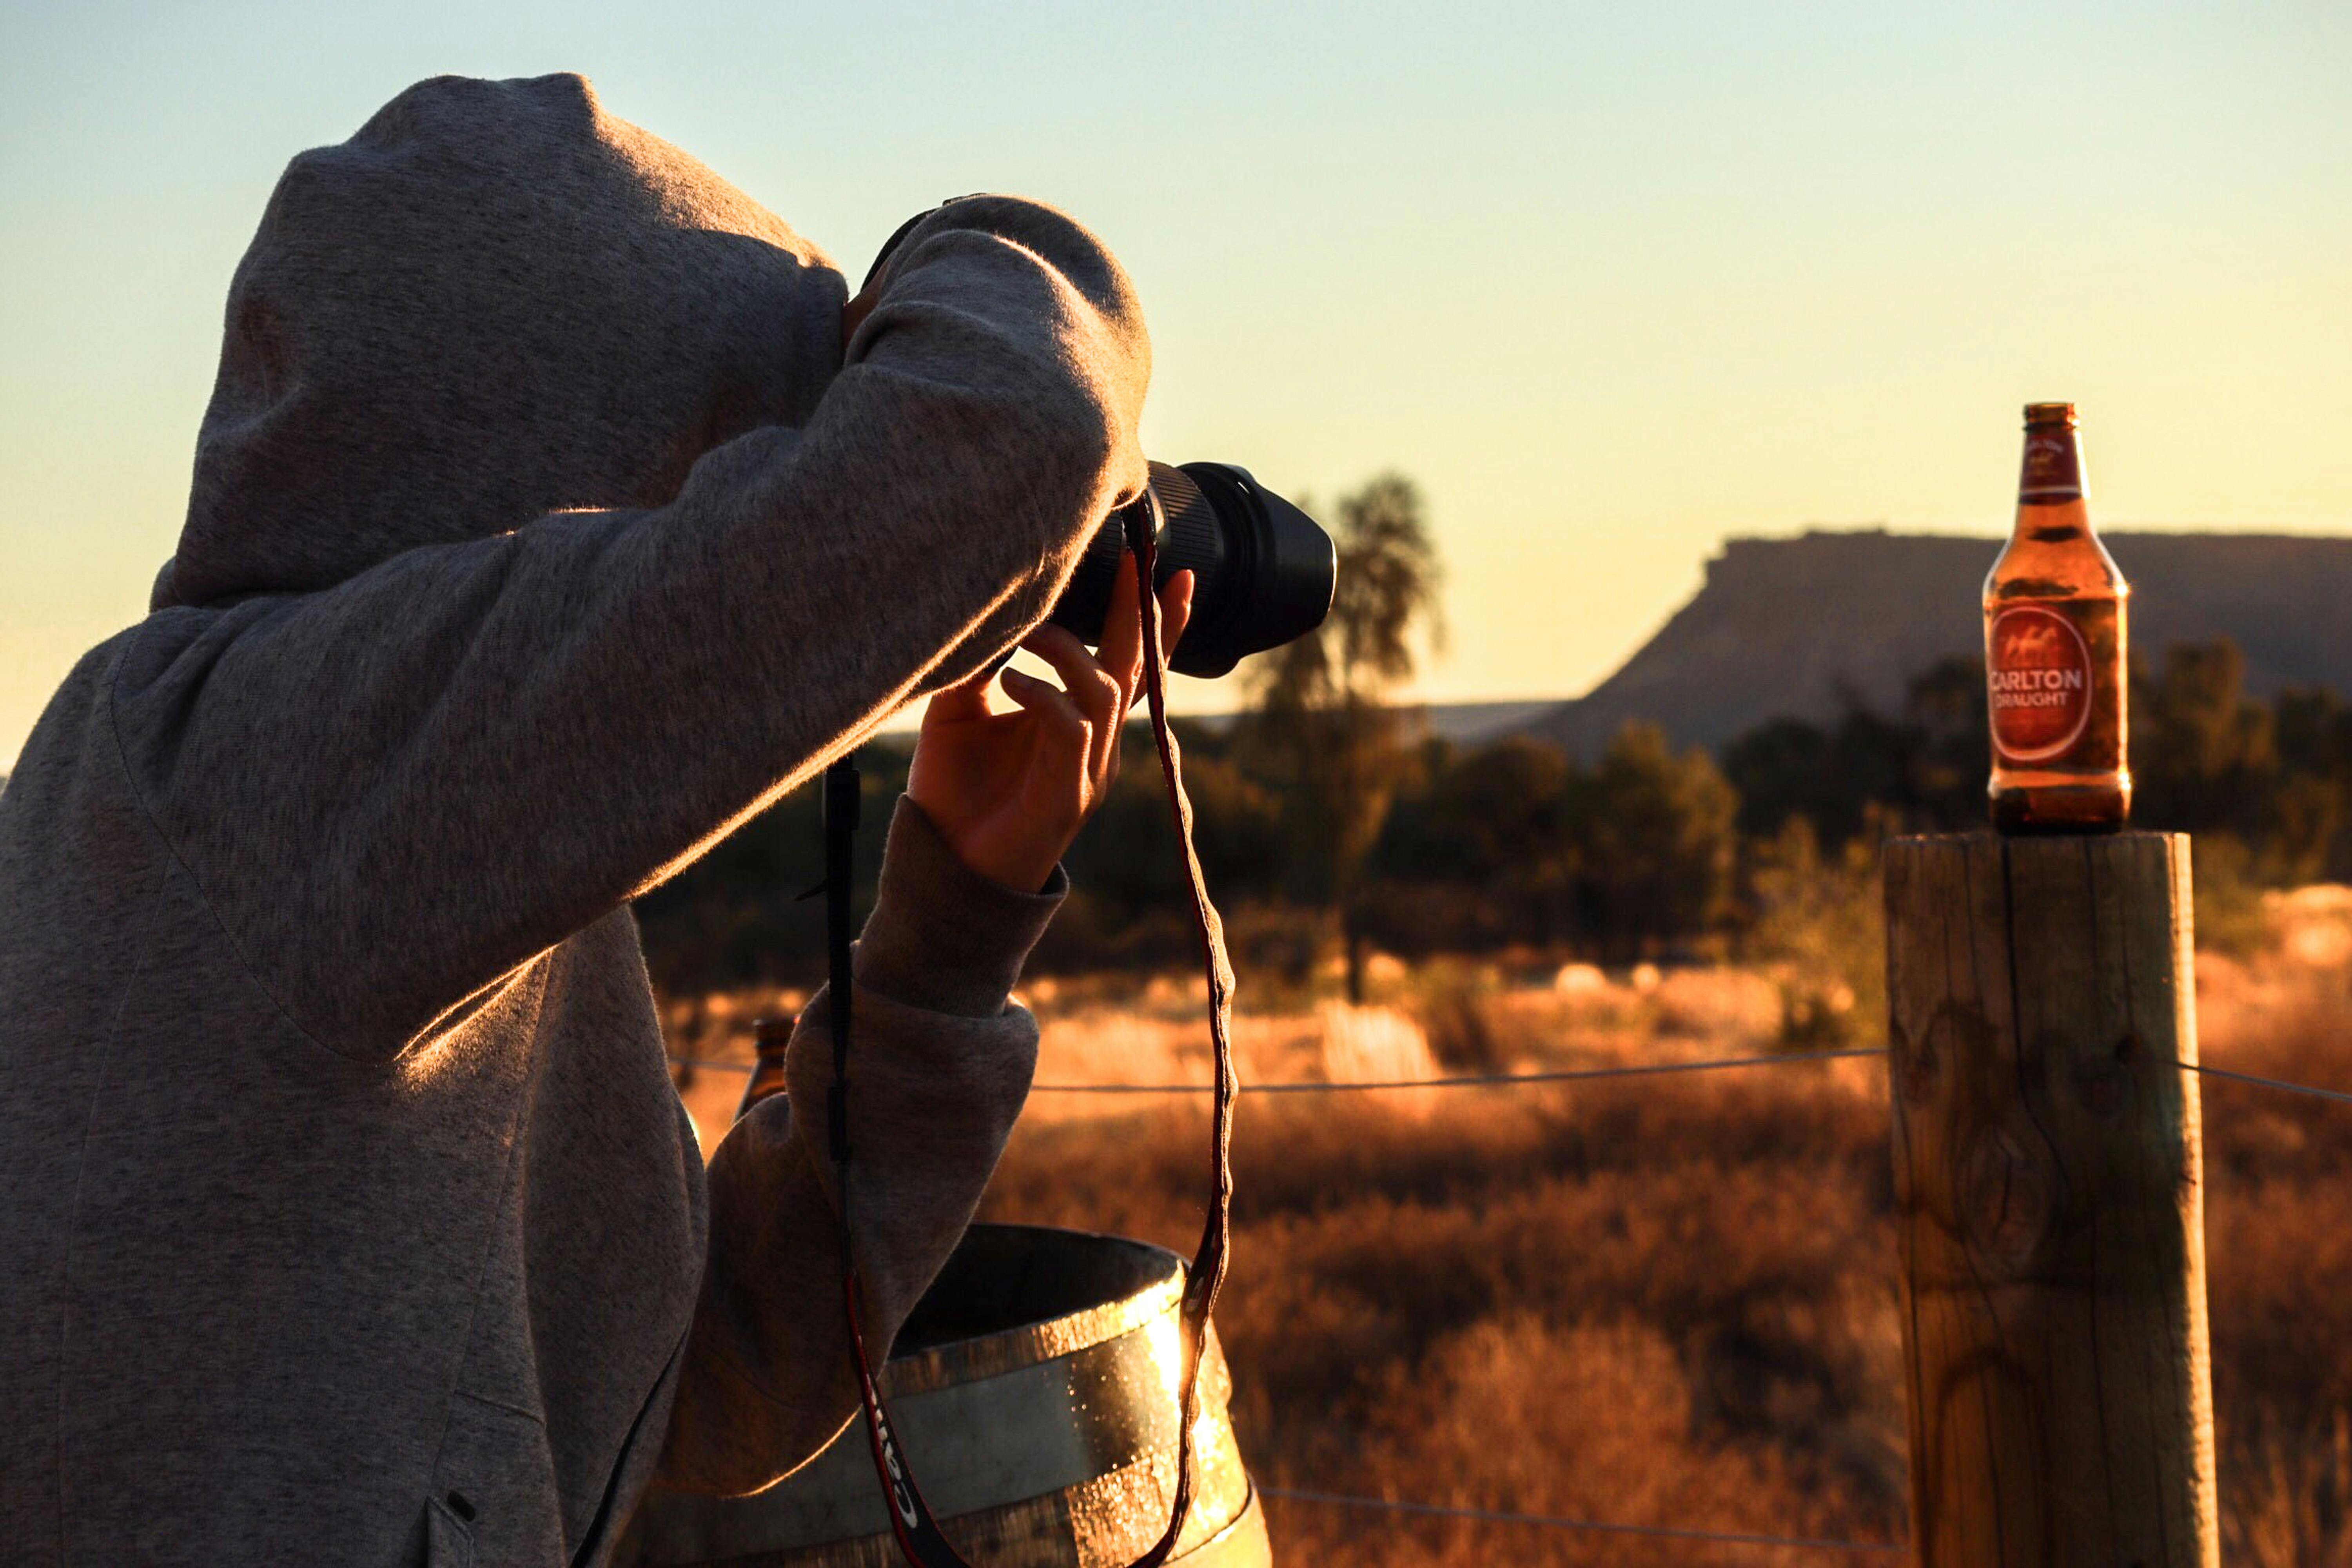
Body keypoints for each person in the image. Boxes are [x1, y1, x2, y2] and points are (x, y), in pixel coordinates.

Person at [0, 72, 1188, 1567]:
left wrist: (942, 938)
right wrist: (916, 277)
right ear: (592, 470)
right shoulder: (255, 767)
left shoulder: (404, 847)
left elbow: (706, 1394)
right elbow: (1023, 423)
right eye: (743, 467)